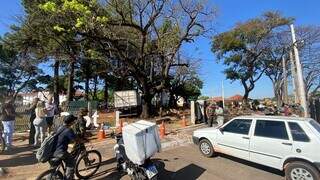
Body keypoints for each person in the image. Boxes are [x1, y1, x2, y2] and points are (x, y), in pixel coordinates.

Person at [50, 115, 78, 180]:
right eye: (74, 121)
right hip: (60, 152)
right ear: (71, 122)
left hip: (52, 150)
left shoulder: (59, 127)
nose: (74, 122)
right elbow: (74, 140)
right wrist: (83, 140)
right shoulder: (69, 130)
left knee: (53, 167)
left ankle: (49, 177)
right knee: (71, 163)